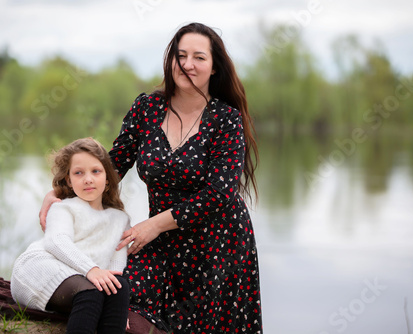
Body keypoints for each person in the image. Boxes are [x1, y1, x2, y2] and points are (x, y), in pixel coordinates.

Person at [40, 22, 262, 333]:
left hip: (218, 242)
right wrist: (62, 192)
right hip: (163, 242)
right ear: (170, 60)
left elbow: (219, 194)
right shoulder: (147, 108)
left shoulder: (226, 120)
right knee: (118, 296)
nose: (187, 64)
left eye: (199, 57)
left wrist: (153, 225)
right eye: (180, 55)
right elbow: (112, 167)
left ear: (214, 67)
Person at [12, 137, 131, 334]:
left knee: (120, 287)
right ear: (69, 180)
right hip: (39, 269)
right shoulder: (63, 208)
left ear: (108, 178)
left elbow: (115, 270)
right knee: (91, 293)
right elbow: (56, 241)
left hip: (81, 277)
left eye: (95, 171)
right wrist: (91, 269)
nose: (88, 179)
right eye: (78, 173)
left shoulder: (120, 220)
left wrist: (117, 308)